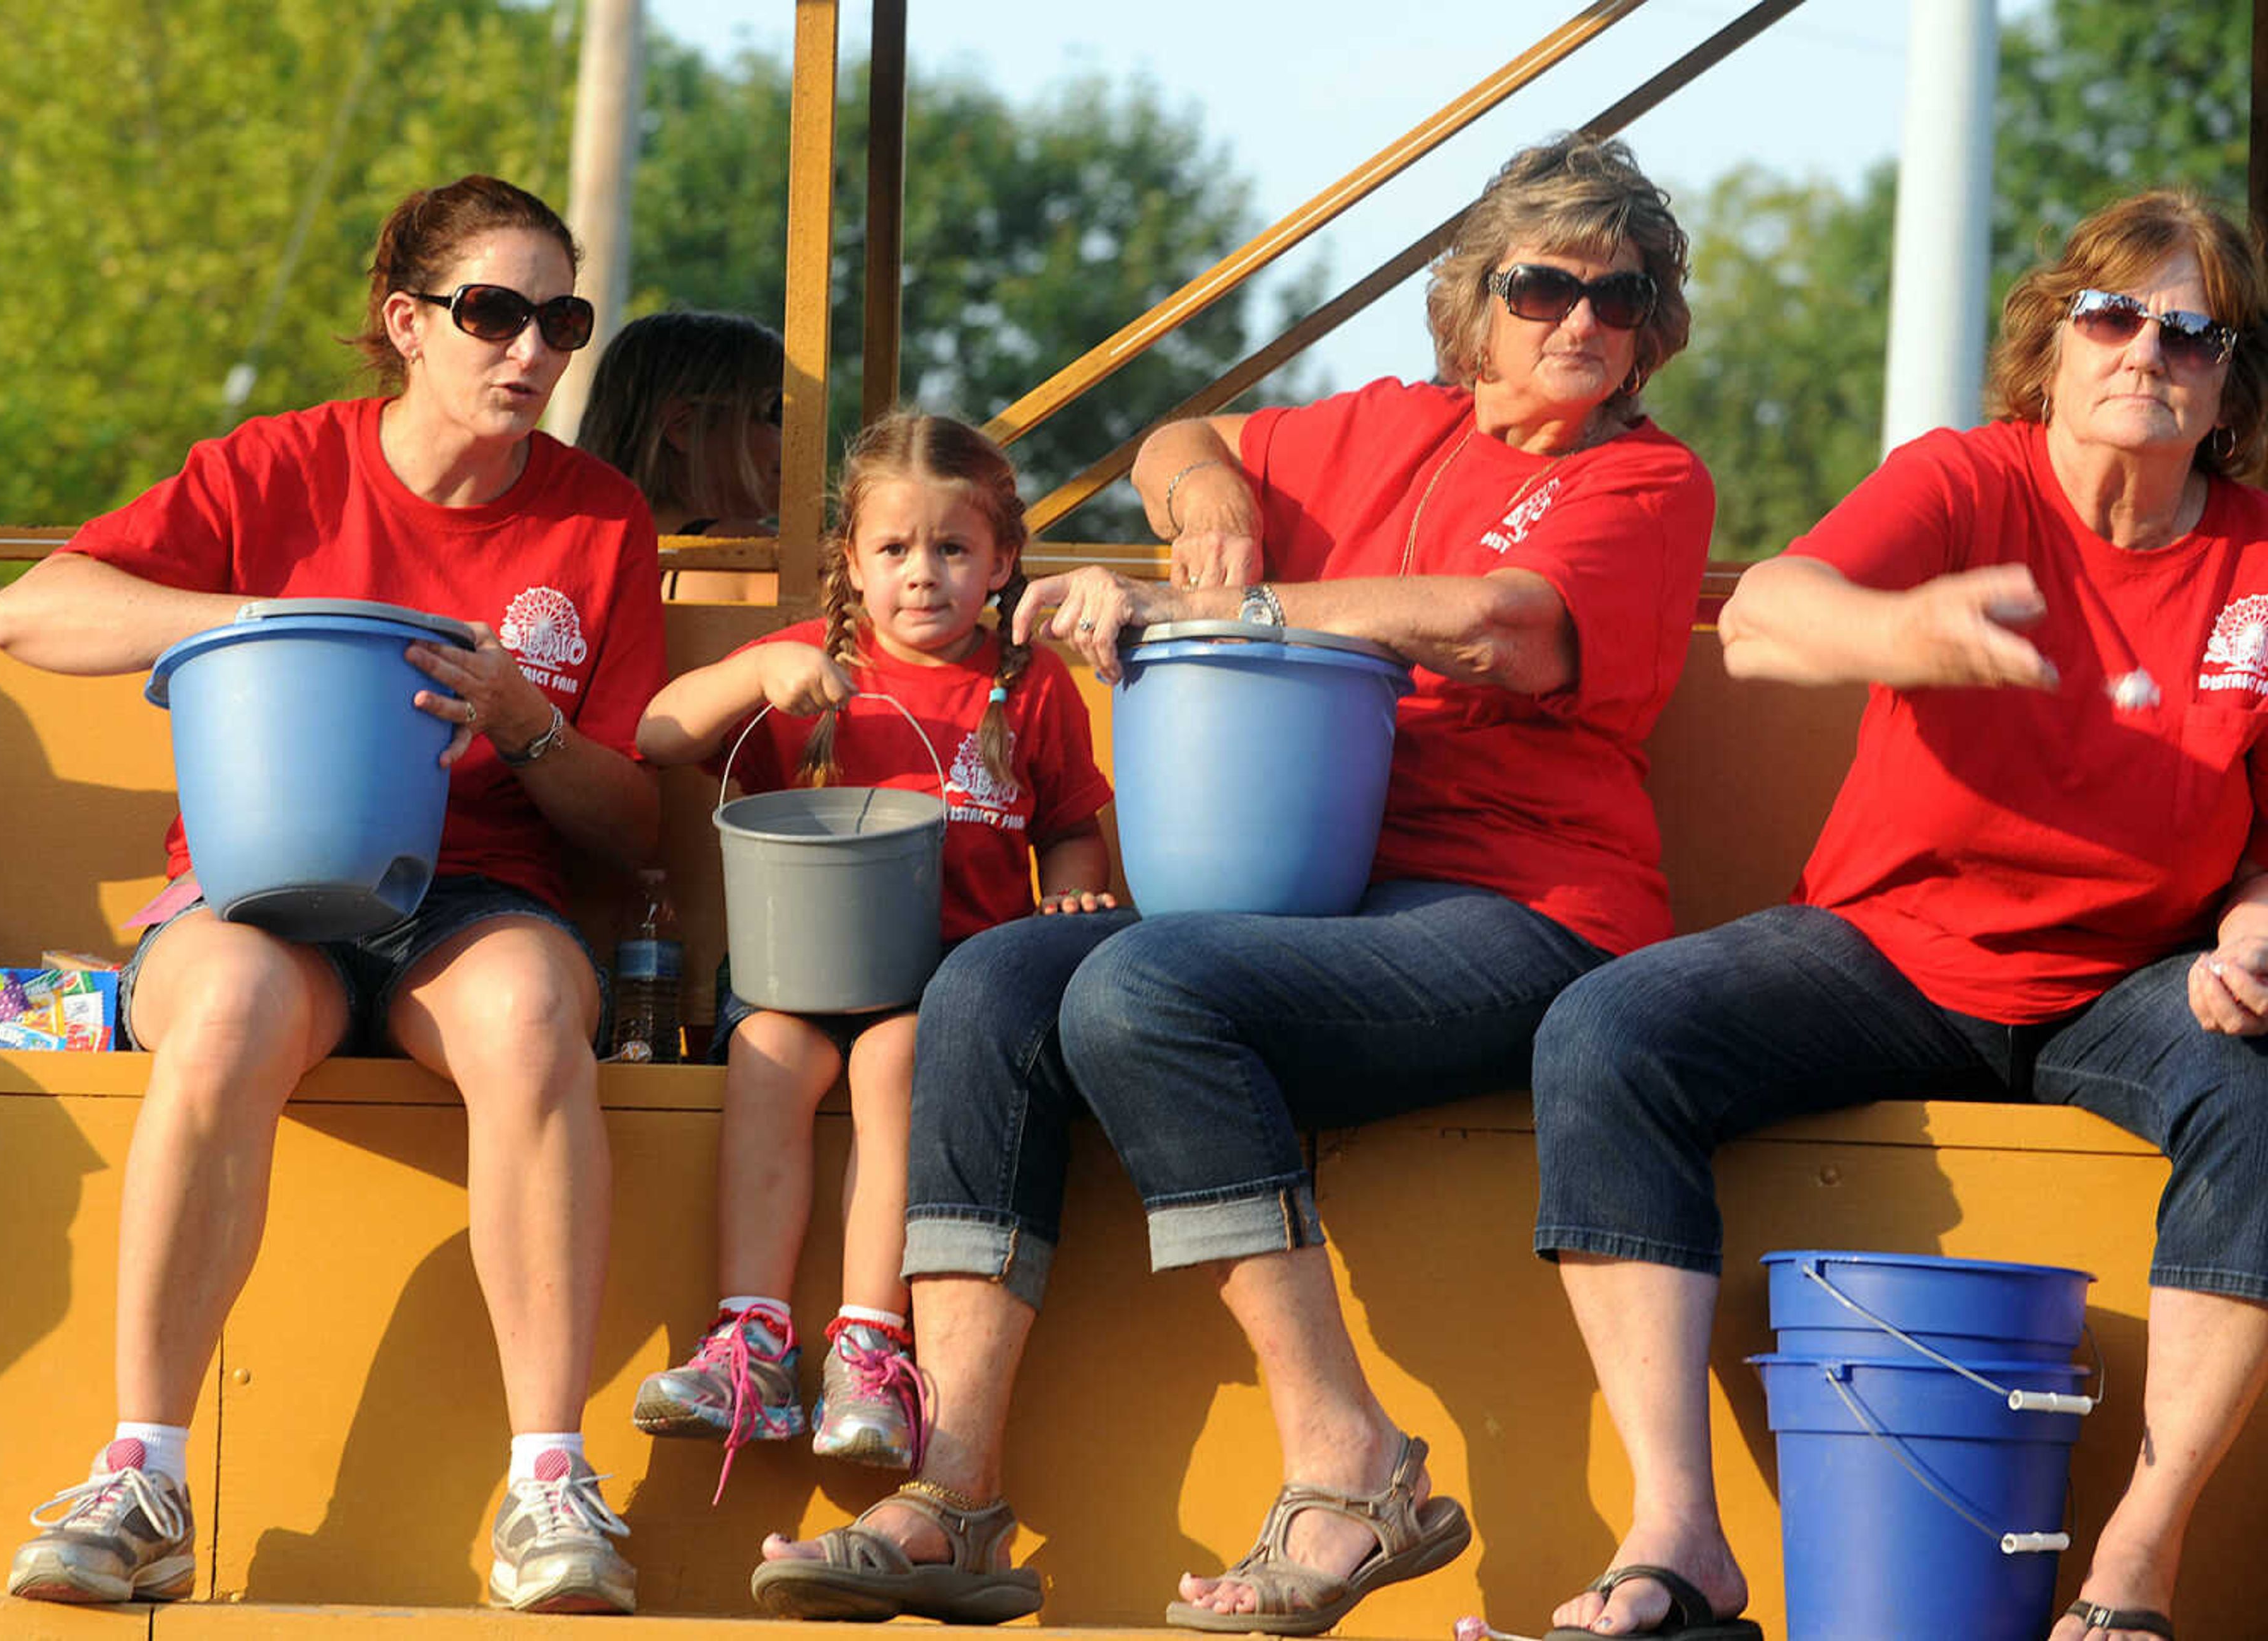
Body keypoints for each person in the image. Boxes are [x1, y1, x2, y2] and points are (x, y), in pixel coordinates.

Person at [751, 131, 1714, 1635]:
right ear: (1479, 299)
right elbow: (1178, 437)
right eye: (1542, 286)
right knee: (989, 978)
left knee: (1145, 986)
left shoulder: (1645, 478)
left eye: (1620, 292)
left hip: (1518, 906)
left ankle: (1349, 1459)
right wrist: (1204, 505)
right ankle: (951, 1490)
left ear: (1651, 319)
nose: (1580, 320)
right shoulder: (1385, 426)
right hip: (1300, 887)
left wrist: (1237, 597)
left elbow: (1498, 624)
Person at [1524, 188, 2268, 1641]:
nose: (2146, 352)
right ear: (2051, 342)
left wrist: (2253, 925)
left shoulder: (2258, 558)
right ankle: (1679, 1534)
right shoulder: (1964, 478)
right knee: (1606, 1030)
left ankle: (2135, 1559)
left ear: (2227, 384)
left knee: (2262, 1092)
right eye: (2112, 315)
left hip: (2129, 977)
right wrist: (1902, 632)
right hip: (1882, 950)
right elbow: (1764, 615)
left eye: (2193, 332)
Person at [0, 174, 665, 1617]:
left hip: (470, 898)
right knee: (225, 1000)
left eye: (561, 318)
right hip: (253, 883)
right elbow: (24, 608)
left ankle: (549, 1482)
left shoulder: (601, 520)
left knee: (538, 1002)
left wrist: (523, 720)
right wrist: (250, 621)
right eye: (494, 312)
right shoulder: (268, 468)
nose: (530, 350)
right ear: (405, 321)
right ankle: (142, 1476)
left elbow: (633, 821)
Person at [631, 411, 1115, 1500]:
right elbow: (660, 732)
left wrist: (1085, 888)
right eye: (894, 550)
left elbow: (1071, 825)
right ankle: (750, 1337)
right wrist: (758, 683)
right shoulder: (811, 661)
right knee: (767, 1054)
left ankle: (868, 1344)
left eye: (953, 549)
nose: (923, 575)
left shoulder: (1026, 685)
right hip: (800, 969)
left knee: (896, 1060)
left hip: (947, 978)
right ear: (852, 560)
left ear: (1000, 561)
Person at [575, 308, 785, 603]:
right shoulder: (748, 555)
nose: (798, 434)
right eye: (778, 411)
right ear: (683, 426)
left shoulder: (579, 552)